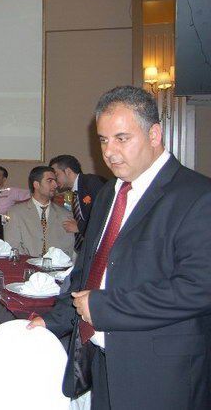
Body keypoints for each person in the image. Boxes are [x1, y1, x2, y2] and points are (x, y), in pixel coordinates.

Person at [29, 86, 211, 410]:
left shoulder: (196, 196)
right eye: (103, 140)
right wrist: (54, 320)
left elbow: (199, 288)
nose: (109, 152)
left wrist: (105, 307)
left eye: (121, 138)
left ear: (154, 134)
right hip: (103, 365)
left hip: (161, 376)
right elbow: (87, 270)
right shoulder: (109, 194)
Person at [4, 166, 75, 259]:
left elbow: (68, 247)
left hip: (56, 266)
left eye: (55, 181)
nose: (55, 185)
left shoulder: (65, 214)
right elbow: (13, 246)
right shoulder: (15, 212)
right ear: (36, 184)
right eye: (50, 181)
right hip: (26, 265)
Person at [48, 154, 107, 251]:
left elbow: (104, 217)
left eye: (56, 175)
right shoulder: (69, 194)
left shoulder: (92, 183)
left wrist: (80, 227)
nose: (54, 181)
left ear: (68, 171)